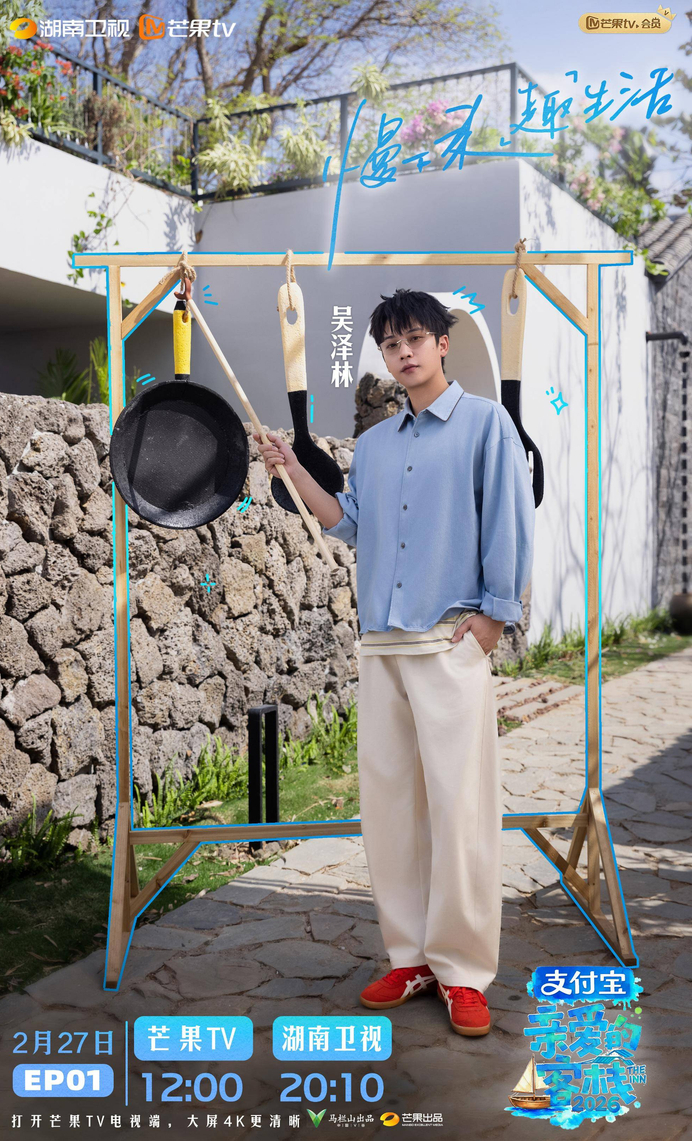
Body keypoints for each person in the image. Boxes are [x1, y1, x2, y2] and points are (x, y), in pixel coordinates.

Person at [255, 288, 535, 1037]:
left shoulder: (487, 424)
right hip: (381, 646)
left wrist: (493, 617)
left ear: (443, 342)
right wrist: (292, 468)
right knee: (390, 812)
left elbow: (509, 518)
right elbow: (349, 523)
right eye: (390, 344)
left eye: (415, 338)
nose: (404, 352)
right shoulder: (375, 446)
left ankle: (463, 972)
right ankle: (410, 957)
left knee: (460, 811)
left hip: (449, 644)